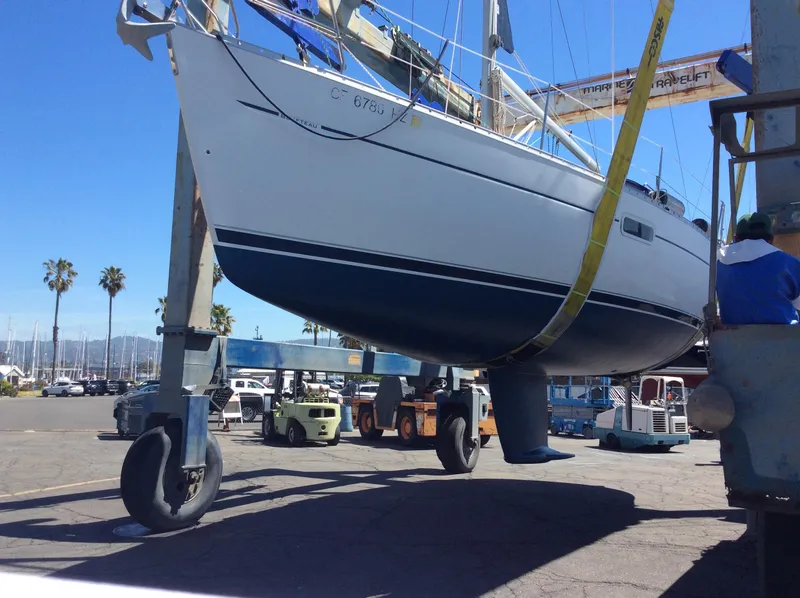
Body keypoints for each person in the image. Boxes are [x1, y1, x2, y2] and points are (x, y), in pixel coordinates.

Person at [716, 212, 800, 325]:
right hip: (783, 338)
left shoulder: (718, 263)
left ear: (736, 238)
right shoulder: (789, 263)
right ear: (771, 239)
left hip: (731, 338)